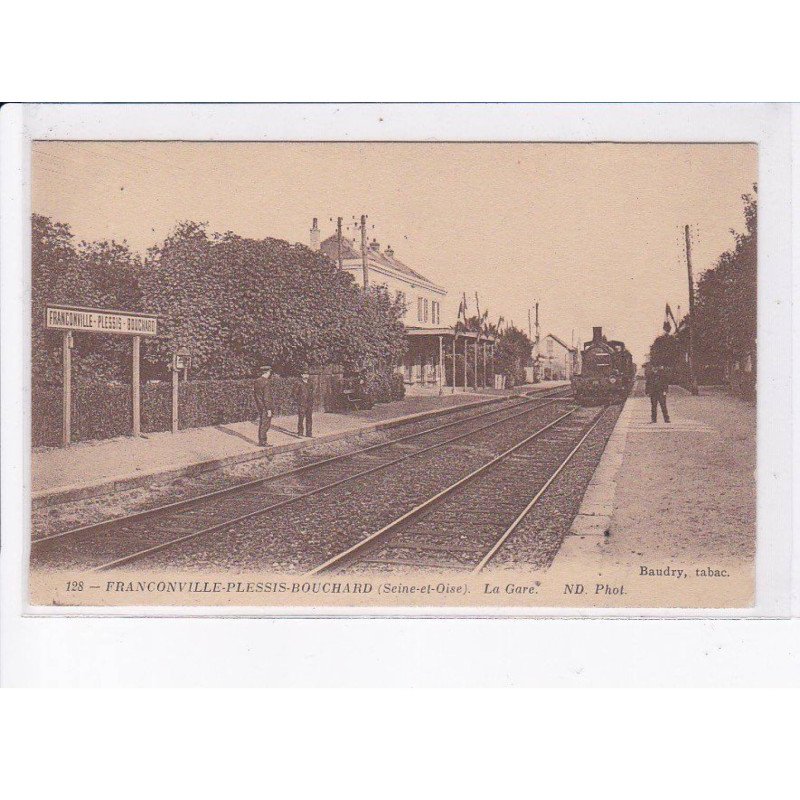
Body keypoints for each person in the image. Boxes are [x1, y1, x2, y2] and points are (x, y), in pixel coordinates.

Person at [253, 364, 275, 446]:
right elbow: (266, 397)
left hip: (260, 405)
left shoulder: (257, 381)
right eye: (269, 372)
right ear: (267, 372)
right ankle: (263, 441)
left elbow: (256, 395)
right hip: (265, 407)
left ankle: (261, 441)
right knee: (266, 424)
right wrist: (269, 409)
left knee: (263, 423)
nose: (270, 374)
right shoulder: (266, 382)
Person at [293, 367, 315, 437]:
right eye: (305, 374)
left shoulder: (310, 383)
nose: (306, 376)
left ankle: (309, 433)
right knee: (301, 419)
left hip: (309, 403)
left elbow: (312, 392)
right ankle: (300, 433)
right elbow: (294, 393)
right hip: (302, 404)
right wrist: (298, 401)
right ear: (301, 375)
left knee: (309, 419)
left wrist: (312, 400)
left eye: (307, 374)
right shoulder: (298, 383)